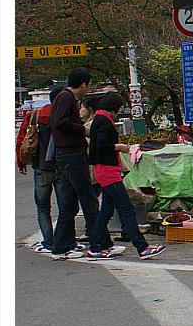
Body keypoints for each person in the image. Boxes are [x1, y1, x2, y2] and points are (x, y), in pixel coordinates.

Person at [85, 92, 165, 261]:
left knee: (106, 211)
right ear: (115, 108)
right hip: (108, 172)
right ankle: (142, 247)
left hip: (106, 170)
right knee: (128, 208)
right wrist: (118, 147)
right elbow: (101, 145)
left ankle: (94, 247)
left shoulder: (99, 119)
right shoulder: (104, 121)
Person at [49, 68, 101, 261]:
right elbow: (61, 123)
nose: (88, 89)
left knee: (69, 204)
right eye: (88, 85)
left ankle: (62, 246)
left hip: (66, 156)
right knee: (88, 200)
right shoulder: (66, 98)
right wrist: (82, 130)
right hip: (72, 156)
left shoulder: (63, 97)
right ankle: (100, 244)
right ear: (83, 84)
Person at [16, 86, 64, 254]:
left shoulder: (33, 115)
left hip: (40, 168)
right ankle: (61, 240)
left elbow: (21, 139)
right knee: (64, 205)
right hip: (60, 167)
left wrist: (21, 163)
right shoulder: (63, 116)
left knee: (43, 207)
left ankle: (48, 241)